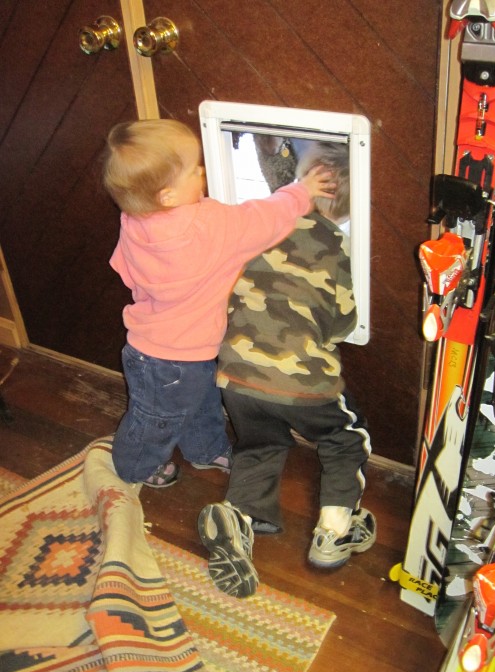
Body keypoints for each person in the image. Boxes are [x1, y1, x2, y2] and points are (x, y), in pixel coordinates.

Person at [102, 119, 335, 488]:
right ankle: (134, 465)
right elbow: (264, 218)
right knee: (154, 420)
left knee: (200, 402)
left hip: (160, 350)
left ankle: (206, 449)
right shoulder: (210, 226)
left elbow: (125, 271)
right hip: (171, 358)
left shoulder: (133, 220)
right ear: (167, 196)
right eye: (194, 170)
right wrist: (301, 191)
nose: (203, 172)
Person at [198, 142, 376, 598]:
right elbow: (344, 322)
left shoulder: (260, 224)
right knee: (344, 438)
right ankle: (333, 534)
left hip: (235, 375)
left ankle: (241, 517)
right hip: (303, 383)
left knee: (259, 442)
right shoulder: (336, 245)